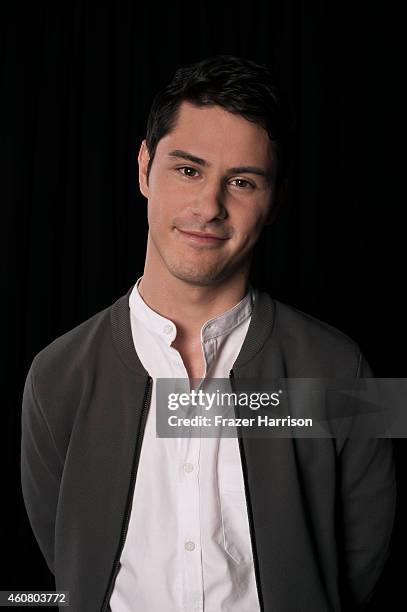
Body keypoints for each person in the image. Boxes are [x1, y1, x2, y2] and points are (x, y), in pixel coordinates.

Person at [21, 55, 396, 612]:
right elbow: (65, 554)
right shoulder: (54, 373)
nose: (209, 207)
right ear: (145, 168)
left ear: (273, 201)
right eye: (189, 170)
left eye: (241, 182)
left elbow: (364, 558)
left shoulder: (347, 367)